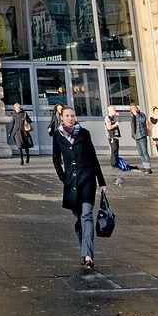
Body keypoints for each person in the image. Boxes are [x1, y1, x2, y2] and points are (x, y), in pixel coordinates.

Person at [51, 106, 107, 269]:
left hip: (87, 178)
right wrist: (63, 176)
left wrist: (102, 182)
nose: (70, 118)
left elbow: (93, 157)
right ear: (62, 117)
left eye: (73, 115)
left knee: (87, 216)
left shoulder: (84, 134)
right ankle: (84, 249)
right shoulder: (58, 136)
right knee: (77, 219)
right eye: (67, 115)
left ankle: (88, 255)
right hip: (71, 182)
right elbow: (56, 159)